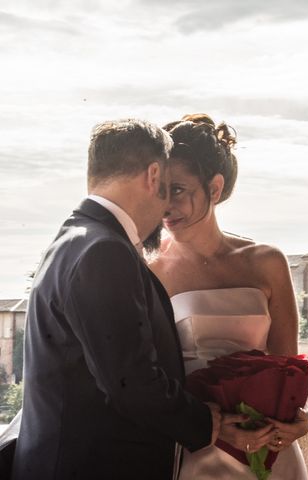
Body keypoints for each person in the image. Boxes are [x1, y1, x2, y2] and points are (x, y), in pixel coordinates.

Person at [12, 119, 235, 480]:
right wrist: (205, 423)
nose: (165, 210)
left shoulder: (75, 238)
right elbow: (130, 381)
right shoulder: (104, 251)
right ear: (152, 175)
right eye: (166, 188)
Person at [149, 114, 308, 479]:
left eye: (178, 190)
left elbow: (289, 366)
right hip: (200, 448)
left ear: (215, 188)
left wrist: (302, 420)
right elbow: (149, 377)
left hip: (272, 446)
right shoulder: (150, 270)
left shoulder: (267, 262)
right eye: (159, 191)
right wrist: (214, 426)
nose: (165, 206)